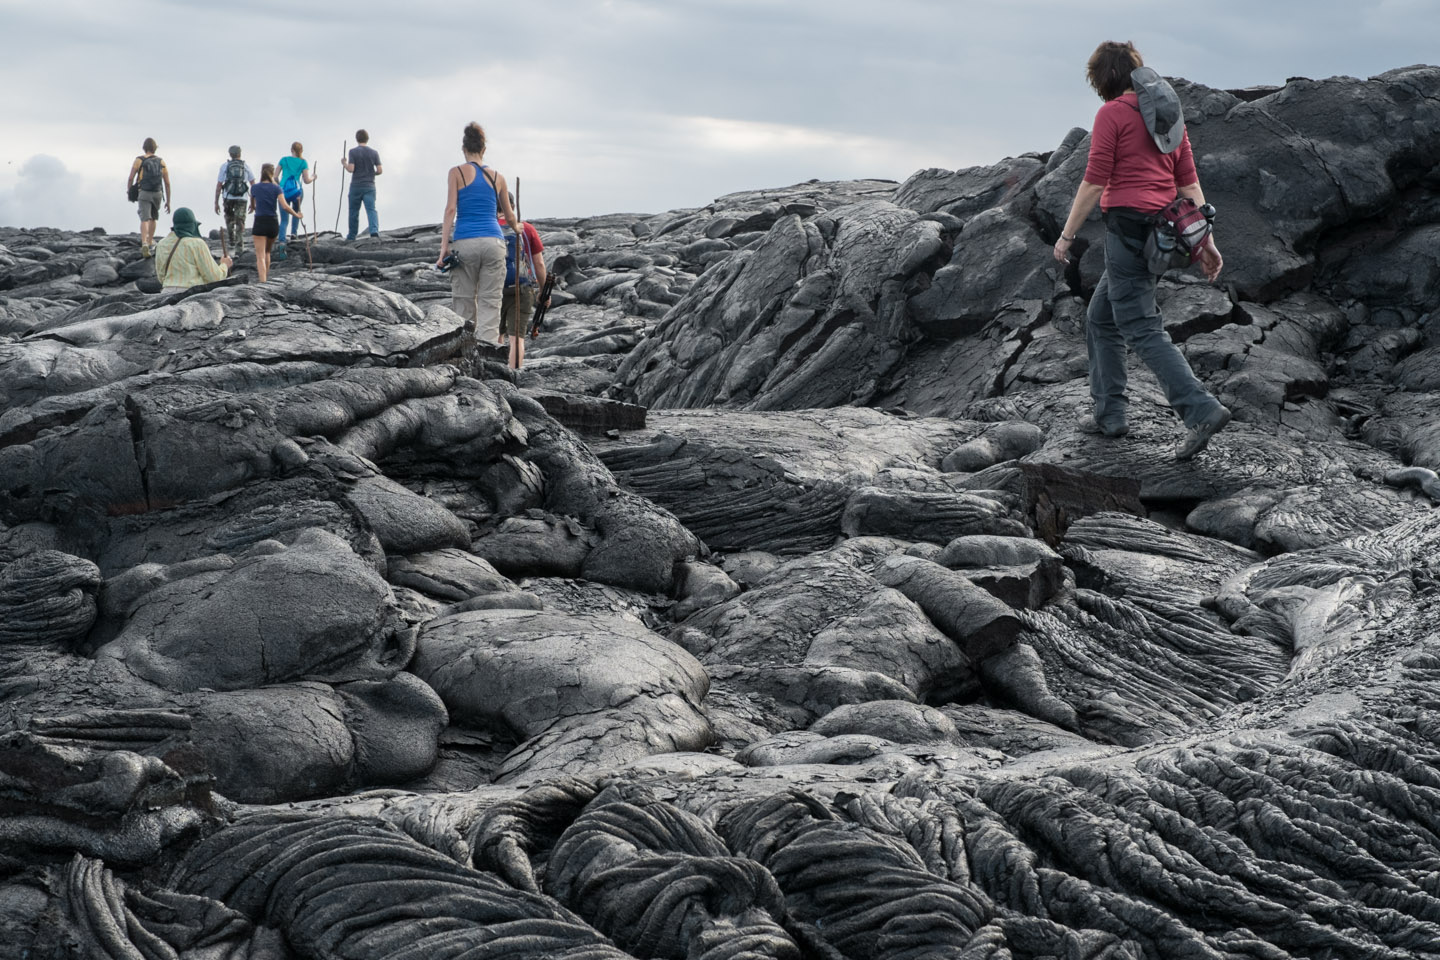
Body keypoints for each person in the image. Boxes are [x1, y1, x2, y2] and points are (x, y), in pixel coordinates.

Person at [1053, 41, 1230, 462]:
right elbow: (1187, 181)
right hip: (1165, 234)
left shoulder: (1112, 114)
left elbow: (1094, 182)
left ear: (1102, 79)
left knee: (1141, 327)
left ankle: (1200, 409)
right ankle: (1110, 415)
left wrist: (1066, 236)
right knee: (1101, 318)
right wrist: (1206, 241)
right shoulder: (1167, 114)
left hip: (1130, 233)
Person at [437, 122, 521, 350]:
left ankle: (466, 354)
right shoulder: (498, 177)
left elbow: (450, 210)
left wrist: (444, 246)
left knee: (464, 304)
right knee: (490, 304)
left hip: (465, 242)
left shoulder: (456, 172)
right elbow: (510, 216)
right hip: (494, 242)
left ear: (464, 149)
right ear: (484, 150)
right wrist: (518, 228)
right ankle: (488, 358)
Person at [497, 193, 549, 370]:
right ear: (512, 206)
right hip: (522, 287)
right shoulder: (526, 228)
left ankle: (493, 372)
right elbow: (539, 263)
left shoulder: (488, 229)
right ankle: (514, 375)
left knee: (495, 333)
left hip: (493, 288)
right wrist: (543, 290)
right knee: (516, 337)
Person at [153, 208, 232, 292]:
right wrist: (225, 265)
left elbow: (161, 277)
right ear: (192, 225)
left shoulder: (161, 244)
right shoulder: (197, 243)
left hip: (166, 293)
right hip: (191, 294)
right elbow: (214, 277)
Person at [249, 163, 303, 282]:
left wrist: (253, 207)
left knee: (260, 256)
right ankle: (266, 279)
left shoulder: (254, 188)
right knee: (267, 252)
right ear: (272, 174)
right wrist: (297, 214)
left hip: (259, 221)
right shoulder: (277, 188)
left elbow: (253, 205)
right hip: (272, 223)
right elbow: (285, 206)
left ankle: (262, 281)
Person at [126, 138, 170, 257]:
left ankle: (144, 243)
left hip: (144, 192)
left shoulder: (139, 160)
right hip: (157, 193)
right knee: (154, 217)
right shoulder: (161, 162)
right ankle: (150, 240)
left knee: (144, 218)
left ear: (144, 147)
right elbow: (167, 183)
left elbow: (131, 177)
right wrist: (168, 202)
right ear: (155, 148)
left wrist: (129, 190)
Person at [214, 145, 256, 255]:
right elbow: (253, 184)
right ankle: (239, 247)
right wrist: (253, 201)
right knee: (240, 221)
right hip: (242, 197)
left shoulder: (225, 166)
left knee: (229, 218)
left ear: (230, 154)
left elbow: (219, 185)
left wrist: (216, 202)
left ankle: (231, 240)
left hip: (228, 197)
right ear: (240, 153)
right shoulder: (245, 166)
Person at [343, 129, 382, 240]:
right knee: (371, 209)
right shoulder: (374, 153)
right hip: (370, 185)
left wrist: (344, 164)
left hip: (356, 185)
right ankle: (374, 231)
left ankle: (352, 235)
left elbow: (351, 169)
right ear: (367, 139)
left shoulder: (353, 152)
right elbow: (379, 170)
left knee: (354, 211)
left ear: (357, 139)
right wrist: (371, 173)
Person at [276, 141, 317, 245]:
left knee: (284, 219)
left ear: (291, 150)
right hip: (297, 192)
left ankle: (282, 240)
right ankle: (294, 234)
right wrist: (313, 177)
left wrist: (279, 185)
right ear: (301, 151)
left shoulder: (284, 160)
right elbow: (307, 180)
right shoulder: (303, 162)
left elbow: (275, 176)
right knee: (296, 212)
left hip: (283, 191)